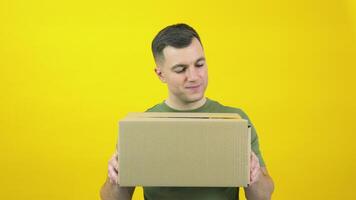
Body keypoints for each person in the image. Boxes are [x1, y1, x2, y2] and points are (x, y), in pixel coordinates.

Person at [100, 23, 274, 200]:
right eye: (181, 69)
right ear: (160, 74)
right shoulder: (141, 127)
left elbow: (262, 197)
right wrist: (113, 179)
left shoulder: (236, 121)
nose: (194, 77)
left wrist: (255, 175)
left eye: (199, 64)